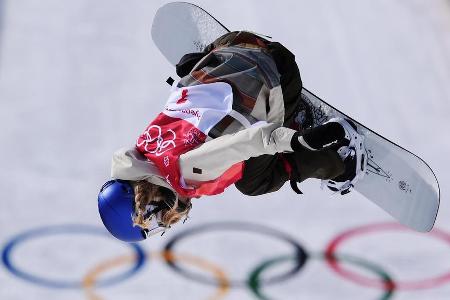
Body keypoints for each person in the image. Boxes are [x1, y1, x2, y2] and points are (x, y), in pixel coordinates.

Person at [98, 31, 366, 242]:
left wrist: (297, 140)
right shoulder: (147, 148)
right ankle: (275, 111)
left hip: (281, 74)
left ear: (148, 205)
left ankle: (338, 157)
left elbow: (250, 141)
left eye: (155, 222)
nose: (167, 223)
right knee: (229, 134)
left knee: (254, 183)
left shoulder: (188, 171)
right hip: (229, 45)